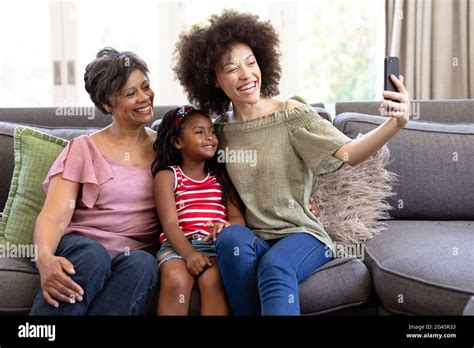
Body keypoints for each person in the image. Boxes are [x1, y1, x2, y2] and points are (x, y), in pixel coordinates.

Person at [173, 10, 410, 315]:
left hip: (303, 235)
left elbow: (349, 154)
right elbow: (183, 163)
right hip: (254, 238)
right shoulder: (218, 133)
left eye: (251, 63)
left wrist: (395, 124)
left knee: (276, 266)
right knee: (231, 239)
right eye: (232, 68)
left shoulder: (291, 114)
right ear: (214, 80)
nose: (246, 75)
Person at [30, 47, 160, 315]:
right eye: (130, 93)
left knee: (143, 264)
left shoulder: (168, 148)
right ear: (106, 105)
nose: (144, 97)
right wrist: (44, 258)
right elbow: (54, 217)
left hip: (133, 256)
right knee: (94, 255)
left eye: (145, 87)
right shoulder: (84, 149)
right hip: (83, 248)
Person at [152, 105, 244, 315]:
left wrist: (228, 227)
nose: (209, 137)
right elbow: (169, 224)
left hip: (214, 247)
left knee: (213, 280)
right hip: (177, 247)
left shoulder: (221, 178)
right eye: (199, 132)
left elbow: (237, 217)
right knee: (177, 279)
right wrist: (190, 255)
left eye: (211, 131)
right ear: (177, 142)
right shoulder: (167, 176)